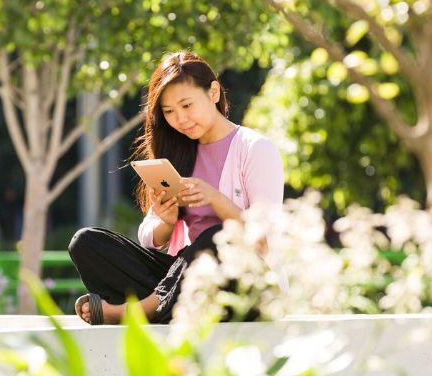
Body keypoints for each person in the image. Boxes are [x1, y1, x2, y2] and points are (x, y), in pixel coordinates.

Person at [69, 51, 284, 325]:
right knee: (87, 243)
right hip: (185, 281)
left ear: (214, 92)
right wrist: (166, 223)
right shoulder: (179, 152)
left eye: (187, 105)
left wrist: (215, 199)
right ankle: (166, 308)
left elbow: (265, 238)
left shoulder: (255, 149)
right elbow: (149, 237)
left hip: (242, 282)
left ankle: (137, 312)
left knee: (215, 237)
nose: (180, 119)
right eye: (169, 112)